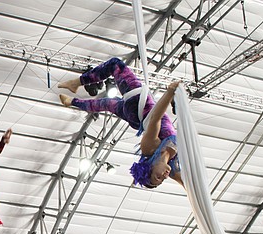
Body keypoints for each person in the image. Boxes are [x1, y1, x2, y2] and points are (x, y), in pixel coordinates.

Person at [58, 58, 183, 189]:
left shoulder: (150, 148)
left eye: (158, 177)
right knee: (106, 104)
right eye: (162, 180)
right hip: (135, 117)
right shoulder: (172, 168)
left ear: (150, 167)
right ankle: (72, 101)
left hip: (138, 105)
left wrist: (170, 93)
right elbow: (189, 187)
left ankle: (76, 83)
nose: (164, 176)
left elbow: (155, 118)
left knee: (115, 65)